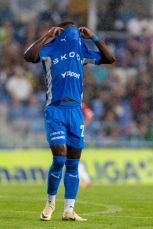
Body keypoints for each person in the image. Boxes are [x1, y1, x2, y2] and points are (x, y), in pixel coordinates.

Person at [24, 20, 115, 222]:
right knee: (59, 159)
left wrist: (93, 37)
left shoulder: (81, 52)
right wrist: (48, 35)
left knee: (73, 164)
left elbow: (110, 58)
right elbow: (29, 56)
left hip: (75, 111)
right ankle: (50, 204)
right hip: (55, 109)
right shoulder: (49, 49)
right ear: (61, 33)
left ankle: (69, 210)